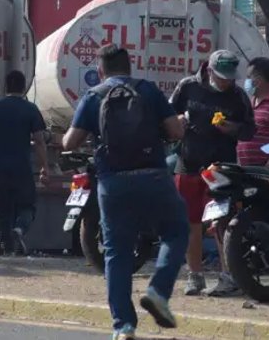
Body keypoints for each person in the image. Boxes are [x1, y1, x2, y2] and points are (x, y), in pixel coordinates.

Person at [62, 45, 187, 340]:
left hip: (112, 183)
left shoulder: (94, 96)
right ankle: (158, 291)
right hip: (153, 176)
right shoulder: (148, 90)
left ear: (101, 70)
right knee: (176, 231)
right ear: (129, 66)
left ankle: (124, 327)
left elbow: (70, 142)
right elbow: (176, 132)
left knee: (116, 253)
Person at [169, 49, 255, 297]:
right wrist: (177, 121)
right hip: (188, 164)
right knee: (189, 223)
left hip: (221, 168)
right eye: (221, 77)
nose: (226, 82)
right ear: (209, 71)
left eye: (230, 77)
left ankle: (229, 276)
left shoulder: (238, 96)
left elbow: (249, 130)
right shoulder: (187, 87)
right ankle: (194, 276)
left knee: (223, 223)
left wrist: (231, 128)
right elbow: (166, 116)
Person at [0, 71, 49, 256]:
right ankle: (20, 229)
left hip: (0, 167)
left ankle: (7, 248)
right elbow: (39, 141)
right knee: (28, 205)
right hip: (22, 167)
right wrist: (44, 167)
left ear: (5, 87)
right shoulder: (31, 109)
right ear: (24, 87)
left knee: (3, 209)